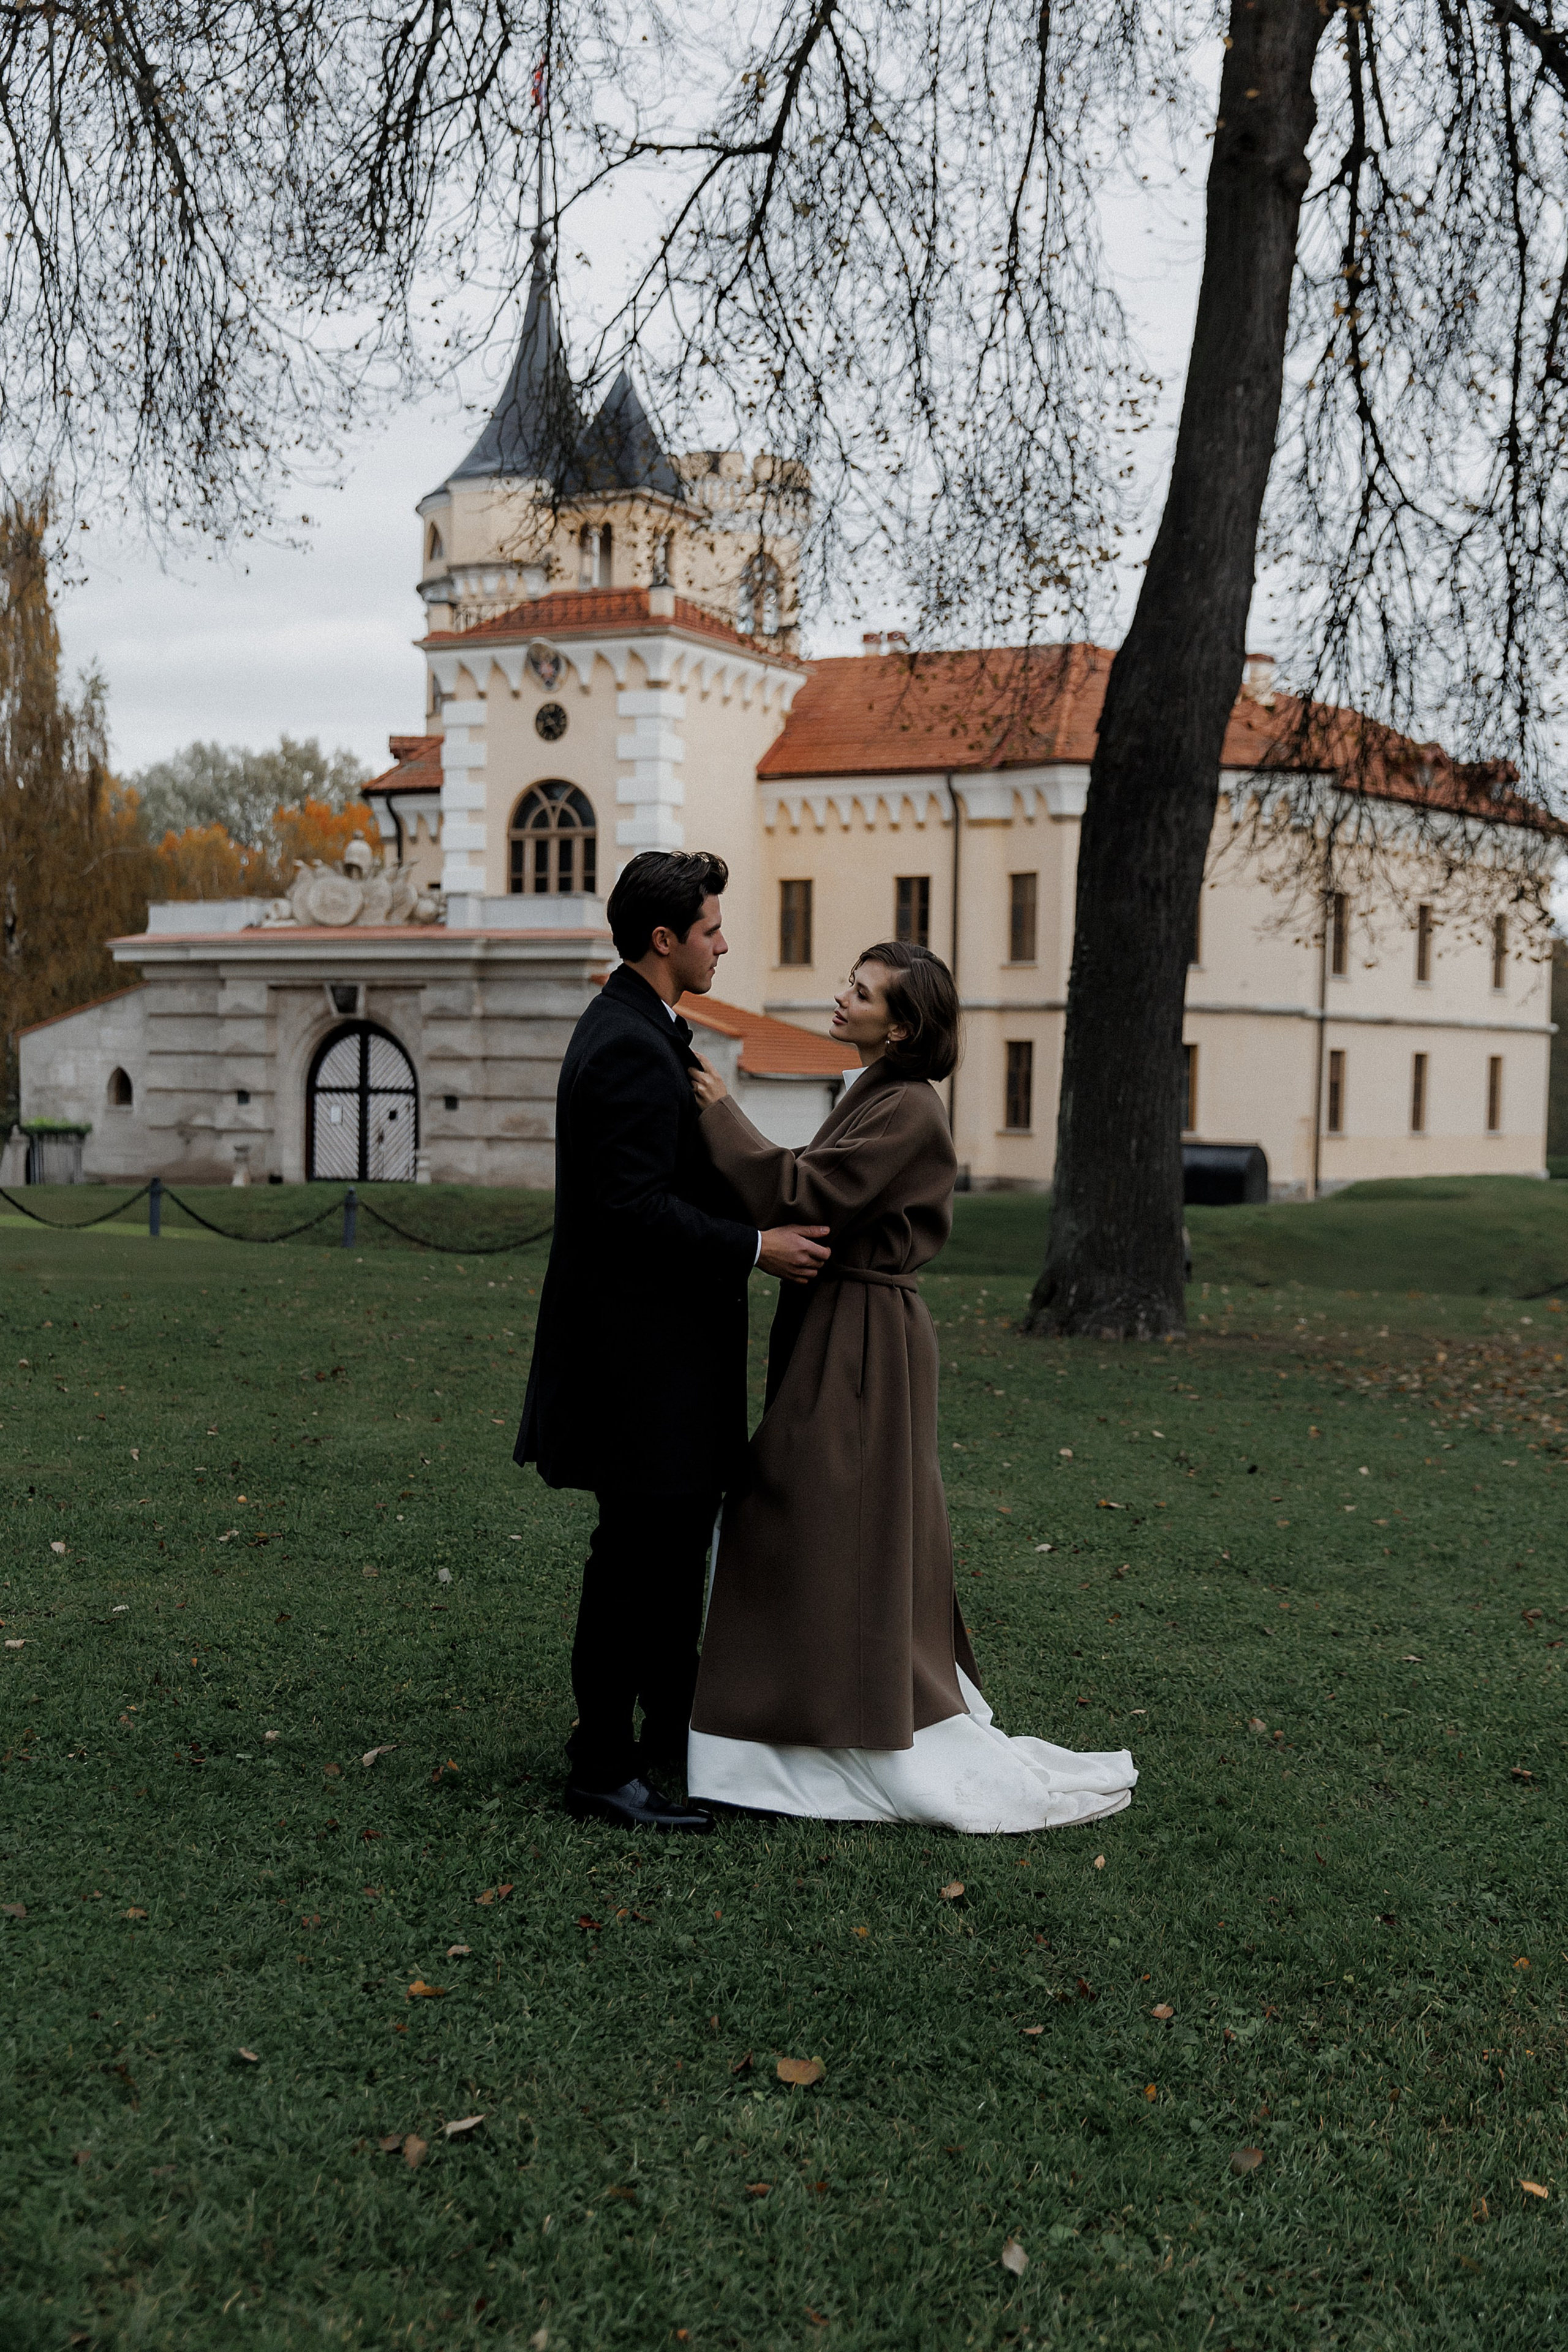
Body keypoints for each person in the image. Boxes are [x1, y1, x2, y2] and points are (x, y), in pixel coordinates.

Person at [685, 940, 1138, 1834]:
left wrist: (723, 1115)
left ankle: (822, 1728)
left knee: (823, 1514)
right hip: (844, 1327)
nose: (841, 1000)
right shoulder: (876, 1094)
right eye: (849, 985)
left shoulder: (909, 1111)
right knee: (814, 1516)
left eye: (862, 994)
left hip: (863, 1343)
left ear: (902, 1027)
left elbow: (808, 1190)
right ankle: (786, 1725)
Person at [516, 849, 831, 1832]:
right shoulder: (622, 1043)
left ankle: (664, 1740)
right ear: (666, 940)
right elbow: (628, 1211)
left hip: (668, 1363)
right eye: (711, 928)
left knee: (666, 1556)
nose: (725, 942)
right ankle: (603, 1766)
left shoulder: (650, 1029)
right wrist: (754, 1246)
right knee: (637, 1563)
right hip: (637, 1367)